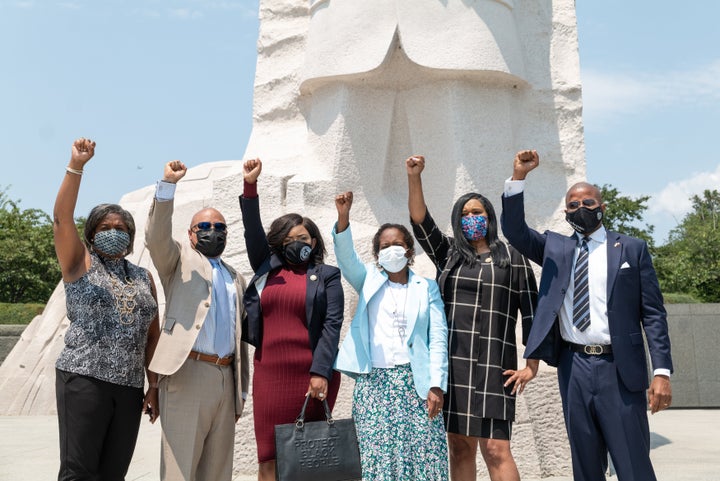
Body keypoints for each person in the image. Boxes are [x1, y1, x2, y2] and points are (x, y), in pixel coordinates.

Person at [500, 150, 673, 481]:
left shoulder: (632, 249)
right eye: (575, 205)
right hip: (574, 367)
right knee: (585, 465)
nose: (583, 209)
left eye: (589, 203)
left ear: (602, 207)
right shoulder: (555, 248)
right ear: (566, 212)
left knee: (633, 464)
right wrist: (519, 177)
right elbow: (516, 231)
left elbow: (653, 314)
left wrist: (661, 371)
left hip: (619, 369)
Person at [406, 155, 539, 481]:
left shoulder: (513, 256)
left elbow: (532, 313)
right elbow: (420, 222)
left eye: (476, 213)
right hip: (454, 366)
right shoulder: (448, 253)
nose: (471, 219)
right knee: (460, 448)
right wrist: (414, 177)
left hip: (497, 367)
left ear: (489, 217)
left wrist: (531, 365)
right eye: (464, 215)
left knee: (496, 450)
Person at [53, 138, 160, 480]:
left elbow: (152, 337)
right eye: (105, 228)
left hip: (129, 389)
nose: (113, 233)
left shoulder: (143, 277)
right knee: (79, 472)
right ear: (91, 234)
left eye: (121, 229)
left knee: (114, 473)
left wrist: (153, 386)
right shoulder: (79, 262)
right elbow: (61, 218)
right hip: (84, 380)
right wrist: (77, 166)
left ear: (130, 238)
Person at [333, 190, 449, 481]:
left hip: (417, 384)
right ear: (377, 254)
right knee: (379, 460)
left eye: (398, 244)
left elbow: (437, 338)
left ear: (409, 251)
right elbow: (347, 260)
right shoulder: (367, 280)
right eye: (385, 246)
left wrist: (437, 385)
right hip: (375, 385)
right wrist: (343, 218)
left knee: (424, 456)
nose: (391, 250)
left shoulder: (427, 287)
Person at [239, 159, 344, 481]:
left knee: (309, 463)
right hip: (270, 373)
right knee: (269, 458)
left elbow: (331, 326)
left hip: (313, 374)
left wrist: (320, 373)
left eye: (306, 238)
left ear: (315, 241)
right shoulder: (266, 267)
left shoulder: (327, 275)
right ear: (280, 243)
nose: (300, 243)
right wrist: (250, 186)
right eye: (291, 239)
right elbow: (252, 228)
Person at [145, 160, 250, 481]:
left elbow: (240, 336)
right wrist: (167, 186)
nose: (212, 232)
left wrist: (239, 391)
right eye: (204, 227)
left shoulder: (236, 277)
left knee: (217, 472)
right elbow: (156, 237)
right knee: (180, 470)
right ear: (191, 235)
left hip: (225, 378)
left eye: (219, 227)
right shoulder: (177, 261)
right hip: (187, 373)